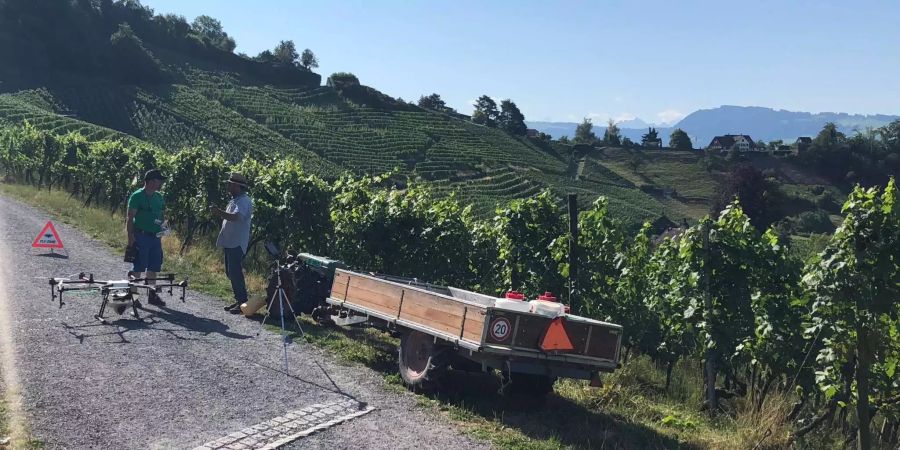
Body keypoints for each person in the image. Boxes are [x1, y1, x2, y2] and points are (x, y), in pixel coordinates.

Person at [211, 173, 253, 313]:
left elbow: (236, 217)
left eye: (230, 184)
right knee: (231, 272)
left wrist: (219, 212)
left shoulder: (244, 201)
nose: (228, 186)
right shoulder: (235, 200)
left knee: (235, 273)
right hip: (231, 242)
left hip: (236, 243)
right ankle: (239, 300)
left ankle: (242, 302)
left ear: (237, 186)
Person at [126, 169, 167, 306]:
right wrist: (131, 237)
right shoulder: (137, 196)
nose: (160, 183)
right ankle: (134, 296)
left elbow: (161, 216)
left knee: (154, 267)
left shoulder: (159, 197)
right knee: (138, 266)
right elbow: (130, 217)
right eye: (158, 180)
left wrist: (164, 229)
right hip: (141, 235)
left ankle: (152, 295)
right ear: (150, 181)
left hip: (155, 237)